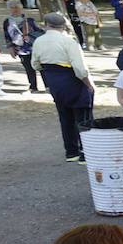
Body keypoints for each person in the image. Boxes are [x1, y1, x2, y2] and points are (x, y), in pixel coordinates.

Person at [31, 12, 96, 163]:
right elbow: (80, 68)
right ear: (64, 26)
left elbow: (35, 64)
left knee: (65, 117)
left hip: (54, 81)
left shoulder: (38, 42)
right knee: (83, 117)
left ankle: (71, 151)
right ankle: (85, 153)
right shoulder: (68, 41)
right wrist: (89, 84)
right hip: (72, 79)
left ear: (46, 25)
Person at [3, 0, 42, 92]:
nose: (15, 9)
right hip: (20, 49)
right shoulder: (7, 22)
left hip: (33, 48)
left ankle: (48, 86)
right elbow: (7, 36)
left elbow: (40, 32)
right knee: (28, 68)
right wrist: (10, 48)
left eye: (16, 7)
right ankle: (33, 87)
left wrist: (31, 39)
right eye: (12, 7)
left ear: (21, 8)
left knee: (41, 67)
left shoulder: (29, 20)